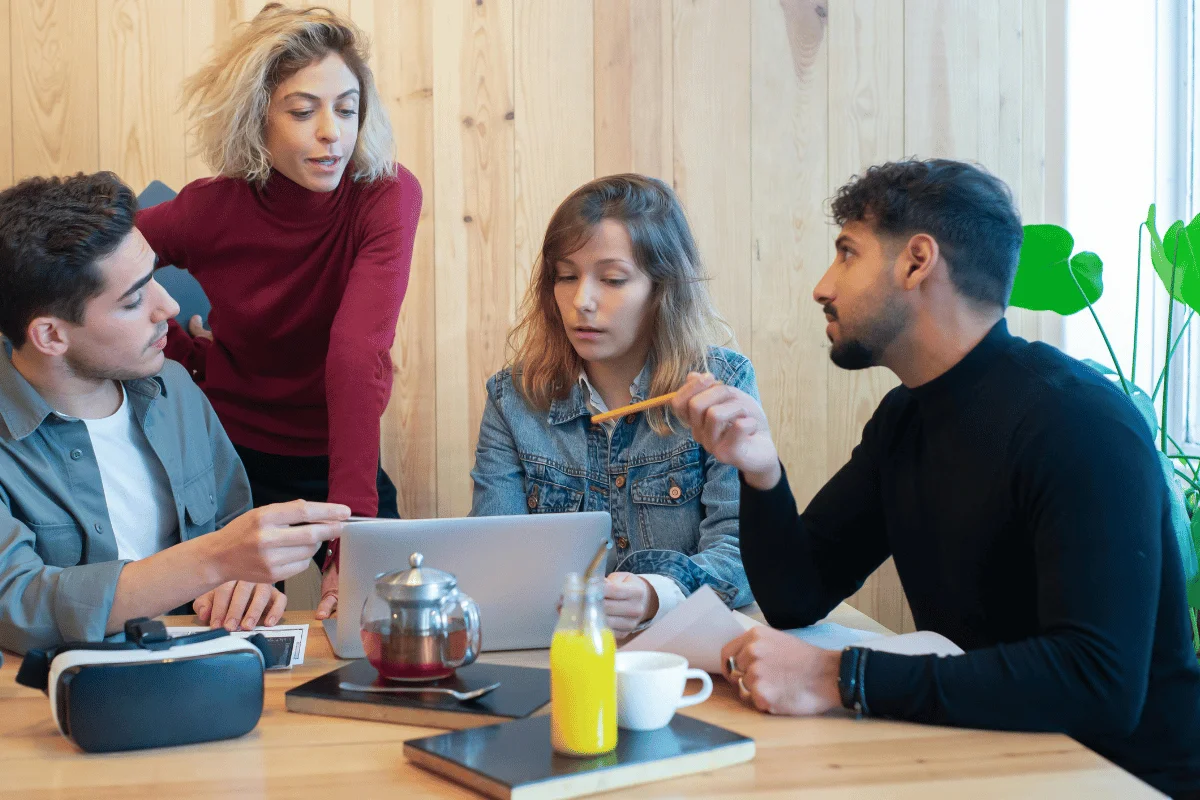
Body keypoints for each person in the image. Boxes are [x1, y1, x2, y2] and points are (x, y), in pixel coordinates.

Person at [670, 159, 1200, 796]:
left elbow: (1098, 683)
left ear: (917, 262)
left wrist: (839, 675)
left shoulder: (1079, 421)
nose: (821, 286)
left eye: (846, 253)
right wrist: (760, 469)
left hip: (1114, 780)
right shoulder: (906, 417)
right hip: (984, 756)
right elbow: (796, 595)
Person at [135, 4, 421, 619]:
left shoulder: (386, 194)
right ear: (256, 118)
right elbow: (101, 265)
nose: (332, 133)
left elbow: (354, 353)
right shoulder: (209, 210)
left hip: (338, 458)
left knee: (391, 621)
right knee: (216, 637)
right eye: (301, 111)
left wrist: (353, 533)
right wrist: (182, 353)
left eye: (346, 109)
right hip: (226, 458)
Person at [0, 172, 350, 654]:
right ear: (51, 336)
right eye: (133, 299)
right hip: (49, 701)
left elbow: (233, 527)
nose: (166, 306)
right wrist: (214, 562)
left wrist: (242, 584)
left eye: (156, 279)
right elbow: (19, 606)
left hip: (203, 674)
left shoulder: (175, 388)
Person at [470, 174, 757, 635]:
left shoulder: (721, 386)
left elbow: (745, 554)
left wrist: (654, 595)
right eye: (566, 276)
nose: (581, 301)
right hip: (558, 652)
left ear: (663, 289)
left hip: (679, 657)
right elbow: (495, 555)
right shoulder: (513, 398)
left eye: (612, 279)